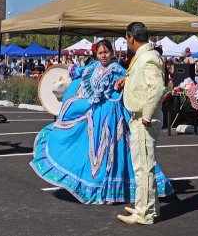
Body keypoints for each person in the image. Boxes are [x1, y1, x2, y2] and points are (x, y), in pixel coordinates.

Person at [30, 39, 173, 205]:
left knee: (112, 153)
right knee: (89, 150)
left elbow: (130, 87)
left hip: (113, 115)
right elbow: (80, 74)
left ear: (111, 52)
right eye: (100, 53)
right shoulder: (93, 67)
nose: (103, 56)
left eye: (106, 52)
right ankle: (99, 185)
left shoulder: (118, 70)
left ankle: (115, 189)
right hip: (95, 114)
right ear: (96, 54)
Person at [115, 22, 166, 225]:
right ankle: (147, 206)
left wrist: (145, 116)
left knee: (143, 167)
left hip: (144, 118)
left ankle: (143, 213)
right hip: (140, 116)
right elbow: (144, 81)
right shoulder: (145, 56)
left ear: (131, 37)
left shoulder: (148, 58)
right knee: (143, 164)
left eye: (127, 39)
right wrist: (125, 81)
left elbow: (157, 87)